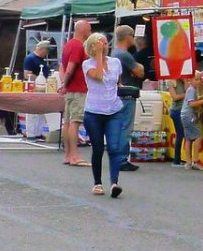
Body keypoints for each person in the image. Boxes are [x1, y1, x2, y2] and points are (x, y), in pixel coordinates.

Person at [80, 32, 125, 197]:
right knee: (98, 147)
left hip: (114, 109)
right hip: (94, 111)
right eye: (101, 43)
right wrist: (99, 55)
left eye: (106, 43)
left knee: (114, 147)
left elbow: (117, 82)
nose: (104, 46)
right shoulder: (87, 64)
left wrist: (123, 88)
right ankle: (97, 182)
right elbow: (98, 76)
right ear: (93, 46)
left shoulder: (116, 62)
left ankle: (115, 182)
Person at [112, 24, 145, 174]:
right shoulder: (124, 55)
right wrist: (138, 66)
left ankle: (117, 157)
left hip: (117, 94)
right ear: (128, 37)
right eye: (132, 35)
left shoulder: (114, 53)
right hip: (127, 94)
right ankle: (122, 159)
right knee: (126, 126)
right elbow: (139, 71)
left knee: (118, 126)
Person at [60, 19, 91, 167]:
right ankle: (74, 155)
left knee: (67, 122)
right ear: (83, 31)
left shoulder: (68, 44)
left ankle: (67, 155)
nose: (90, 33)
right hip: (78, 89)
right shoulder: (78, 46)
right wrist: (64, 83)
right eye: (89, 30)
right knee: (75, 122)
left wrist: (63, 84)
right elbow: (71, 67)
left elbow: (62, 67)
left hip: (70, 90)